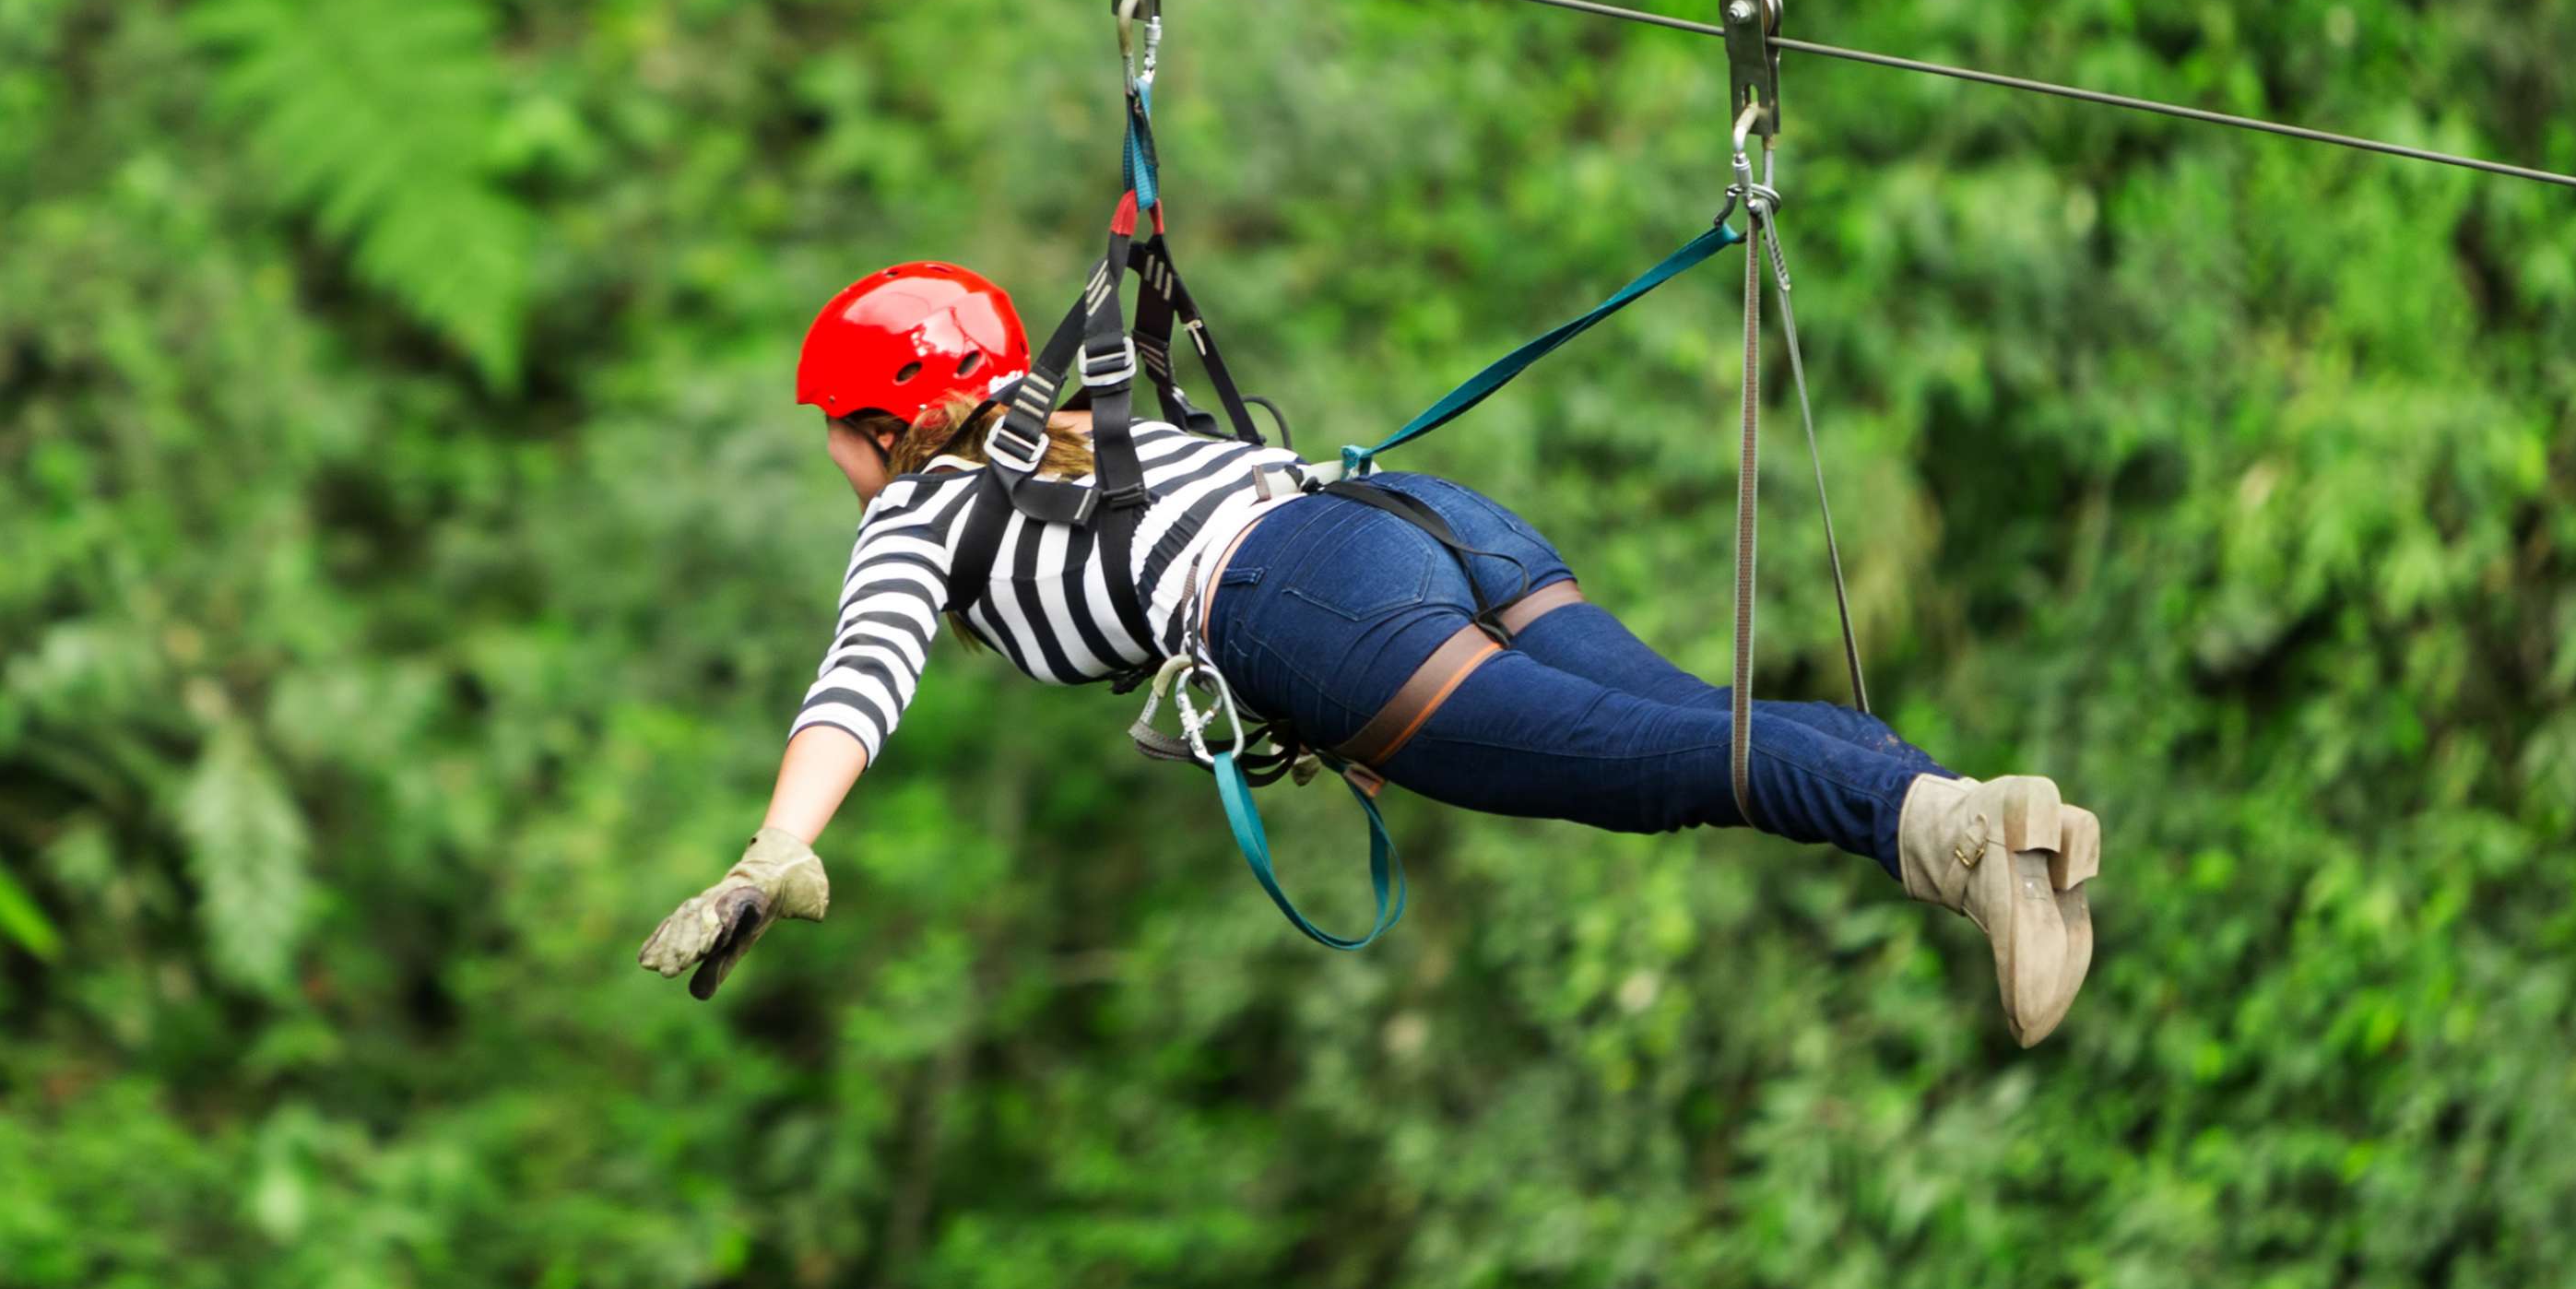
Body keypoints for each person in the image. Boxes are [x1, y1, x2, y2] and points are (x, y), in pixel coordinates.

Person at [636, 263, 2106, 1042]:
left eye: (837, 433)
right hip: (1413, 517)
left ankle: (1955, 833)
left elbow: (859, 683)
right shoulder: (1088, 419)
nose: (837, 464)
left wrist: (774, 849)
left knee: (1663, 767)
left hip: (1304, 601)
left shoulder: (918, 512)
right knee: (1683, 723)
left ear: (892, 425)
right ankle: (1979, 823)